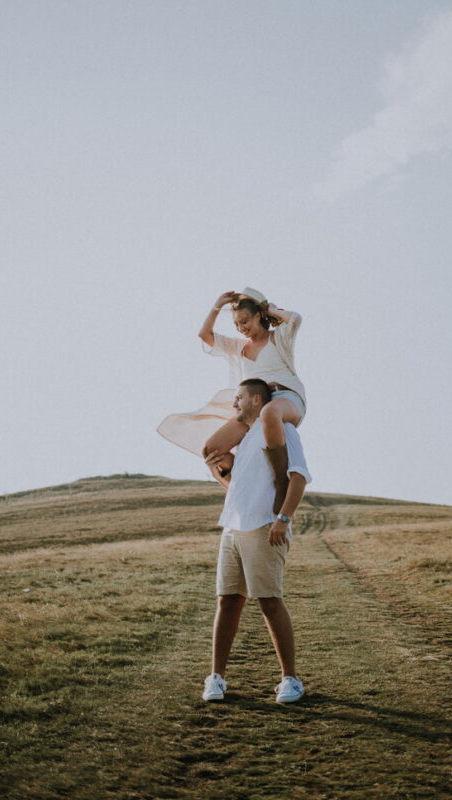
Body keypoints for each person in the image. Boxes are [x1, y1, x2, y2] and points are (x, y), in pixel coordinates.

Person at [202, 378, 311, 704]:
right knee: (227, 601)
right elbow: (241, 488)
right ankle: (216, 678)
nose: (234, 403)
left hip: (264, 527)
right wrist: (223, 473)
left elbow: (299, 476)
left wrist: (283, 519)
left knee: (269, 602)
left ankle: (290, 680)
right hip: (232, 529)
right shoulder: (246, 439)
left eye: (239, 397)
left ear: (256, 401)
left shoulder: (282, 429)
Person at [157, 287, 306, 513]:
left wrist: (272, 310)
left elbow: (295, 319)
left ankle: (281, 482)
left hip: (285, 398)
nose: (241, 328)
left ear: (259, 315)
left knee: (269, 413)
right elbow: (205, 335)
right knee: (212, 449)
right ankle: (245, 491)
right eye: (236, 324)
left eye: (245, 321)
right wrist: (217, 306)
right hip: (252, 407)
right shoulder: (239, 348)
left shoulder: (278, 339)